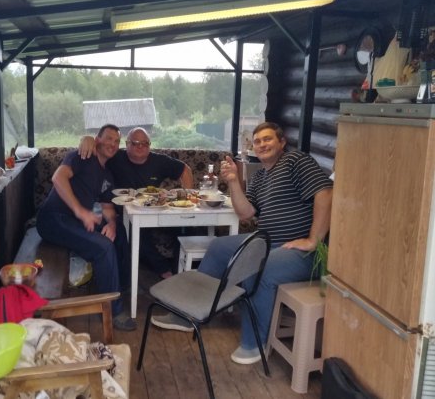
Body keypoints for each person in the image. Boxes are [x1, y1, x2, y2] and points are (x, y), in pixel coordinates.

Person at [151, 122, 333, 365]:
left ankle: (254, 342)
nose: (262, 144)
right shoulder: (259, 176)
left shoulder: (296, 161)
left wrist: (313, 240)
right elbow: (245, 213)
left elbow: (325, 192)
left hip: (300, 252)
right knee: (218, 248)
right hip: (267, 242)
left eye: (268, 139)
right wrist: (234, 182)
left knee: (258, 268)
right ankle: (189, 315)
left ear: (282, 142)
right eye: (257, 141)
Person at [35, 124, 136, 331]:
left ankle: (122, 287)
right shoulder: (81, 156)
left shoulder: (107, 175)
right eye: (108, 138)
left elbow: (107, 208)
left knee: (119, 232)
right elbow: (58, 178)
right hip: (54, 218)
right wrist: (80, 211)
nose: (112, 144)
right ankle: (114, 311)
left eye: (116, 141)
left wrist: (112, 224)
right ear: (97, 140)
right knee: (103, 248)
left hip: (77, 221)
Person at [78, 127, 194, 278]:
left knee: (187, 225)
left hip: (155, 209)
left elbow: (185, 170)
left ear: (149, 145)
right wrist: (86, 139)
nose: (140, 147)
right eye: (135, 143)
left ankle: (183, 271)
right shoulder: (115, 157)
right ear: (127, 144)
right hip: (124, 212)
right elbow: (98, 148)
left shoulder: (159, 161)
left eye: (144, 143)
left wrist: (187, 197)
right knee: (134, 233)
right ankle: (163, 269)